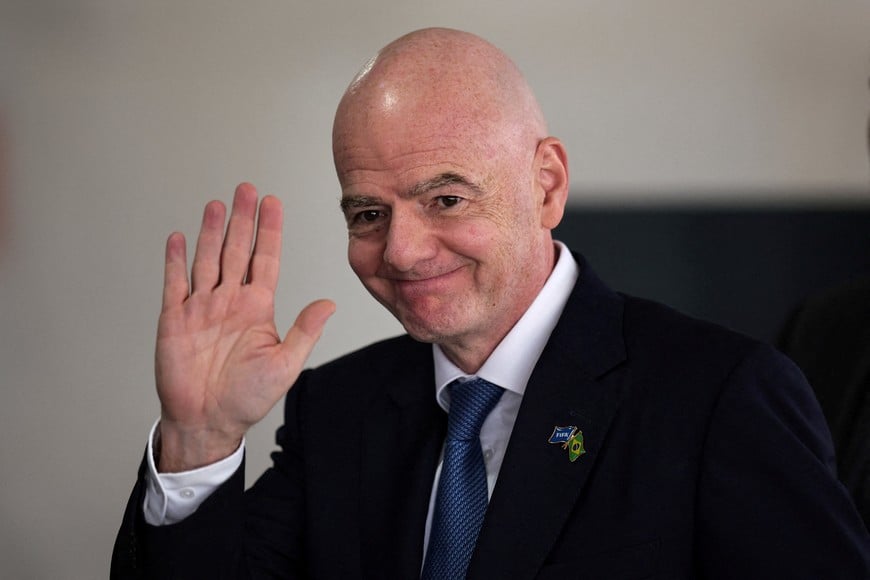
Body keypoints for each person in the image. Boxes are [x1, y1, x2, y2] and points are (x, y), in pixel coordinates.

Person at [111, 28, 870, 578]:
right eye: (368, 214)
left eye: (445, 197)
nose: (401, 251)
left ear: (546, 184)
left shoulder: (719, 396)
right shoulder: (337, 411)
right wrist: (201, 441)